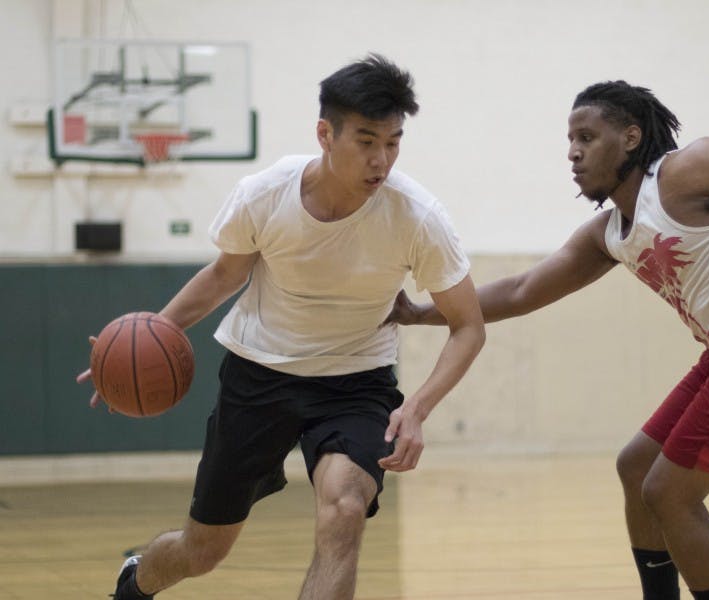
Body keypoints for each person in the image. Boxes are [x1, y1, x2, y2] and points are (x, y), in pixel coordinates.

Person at [388, 80, 709, 600]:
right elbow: (521, 290)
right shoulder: (610, 233)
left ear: (631, 137)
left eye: (587, 137)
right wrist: (421, 313)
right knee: (636, 467)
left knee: (669, 493)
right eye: (570, 140)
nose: (573, 151)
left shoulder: (689, 169)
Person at [76, 54, 485, 600]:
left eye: (392, 142)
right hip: (259, 375)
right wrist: (140, 339)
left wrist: (417, 408)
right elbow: (225, 276)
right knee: (204, 550)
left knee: (344, 508)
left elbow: (468, 327)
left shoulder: (417, 216)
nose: (380, 159)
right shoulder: (264, 194)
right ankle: (137, 579)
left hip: (356, 383)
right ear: (325, 133)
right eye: (365, 140)